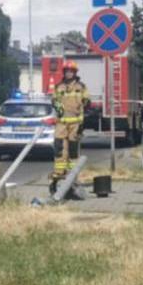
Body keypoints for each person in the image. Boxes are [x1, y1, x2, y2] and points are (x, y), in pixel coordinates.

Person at [51, 60, 90, 194]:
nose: (68, 73)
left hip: (75, 124)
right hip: (61, 123)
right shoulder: (59, 87)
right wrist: (58, 108)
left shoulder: (81, 87)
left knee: (73, 151)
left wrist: (83, 123)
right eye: (66, 71)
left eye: (71, 71)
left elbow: (87, 102)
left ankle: (72, 175)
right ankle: (58, 174)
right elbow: (54, 100)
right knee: (59, 148)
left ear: (74, 73)